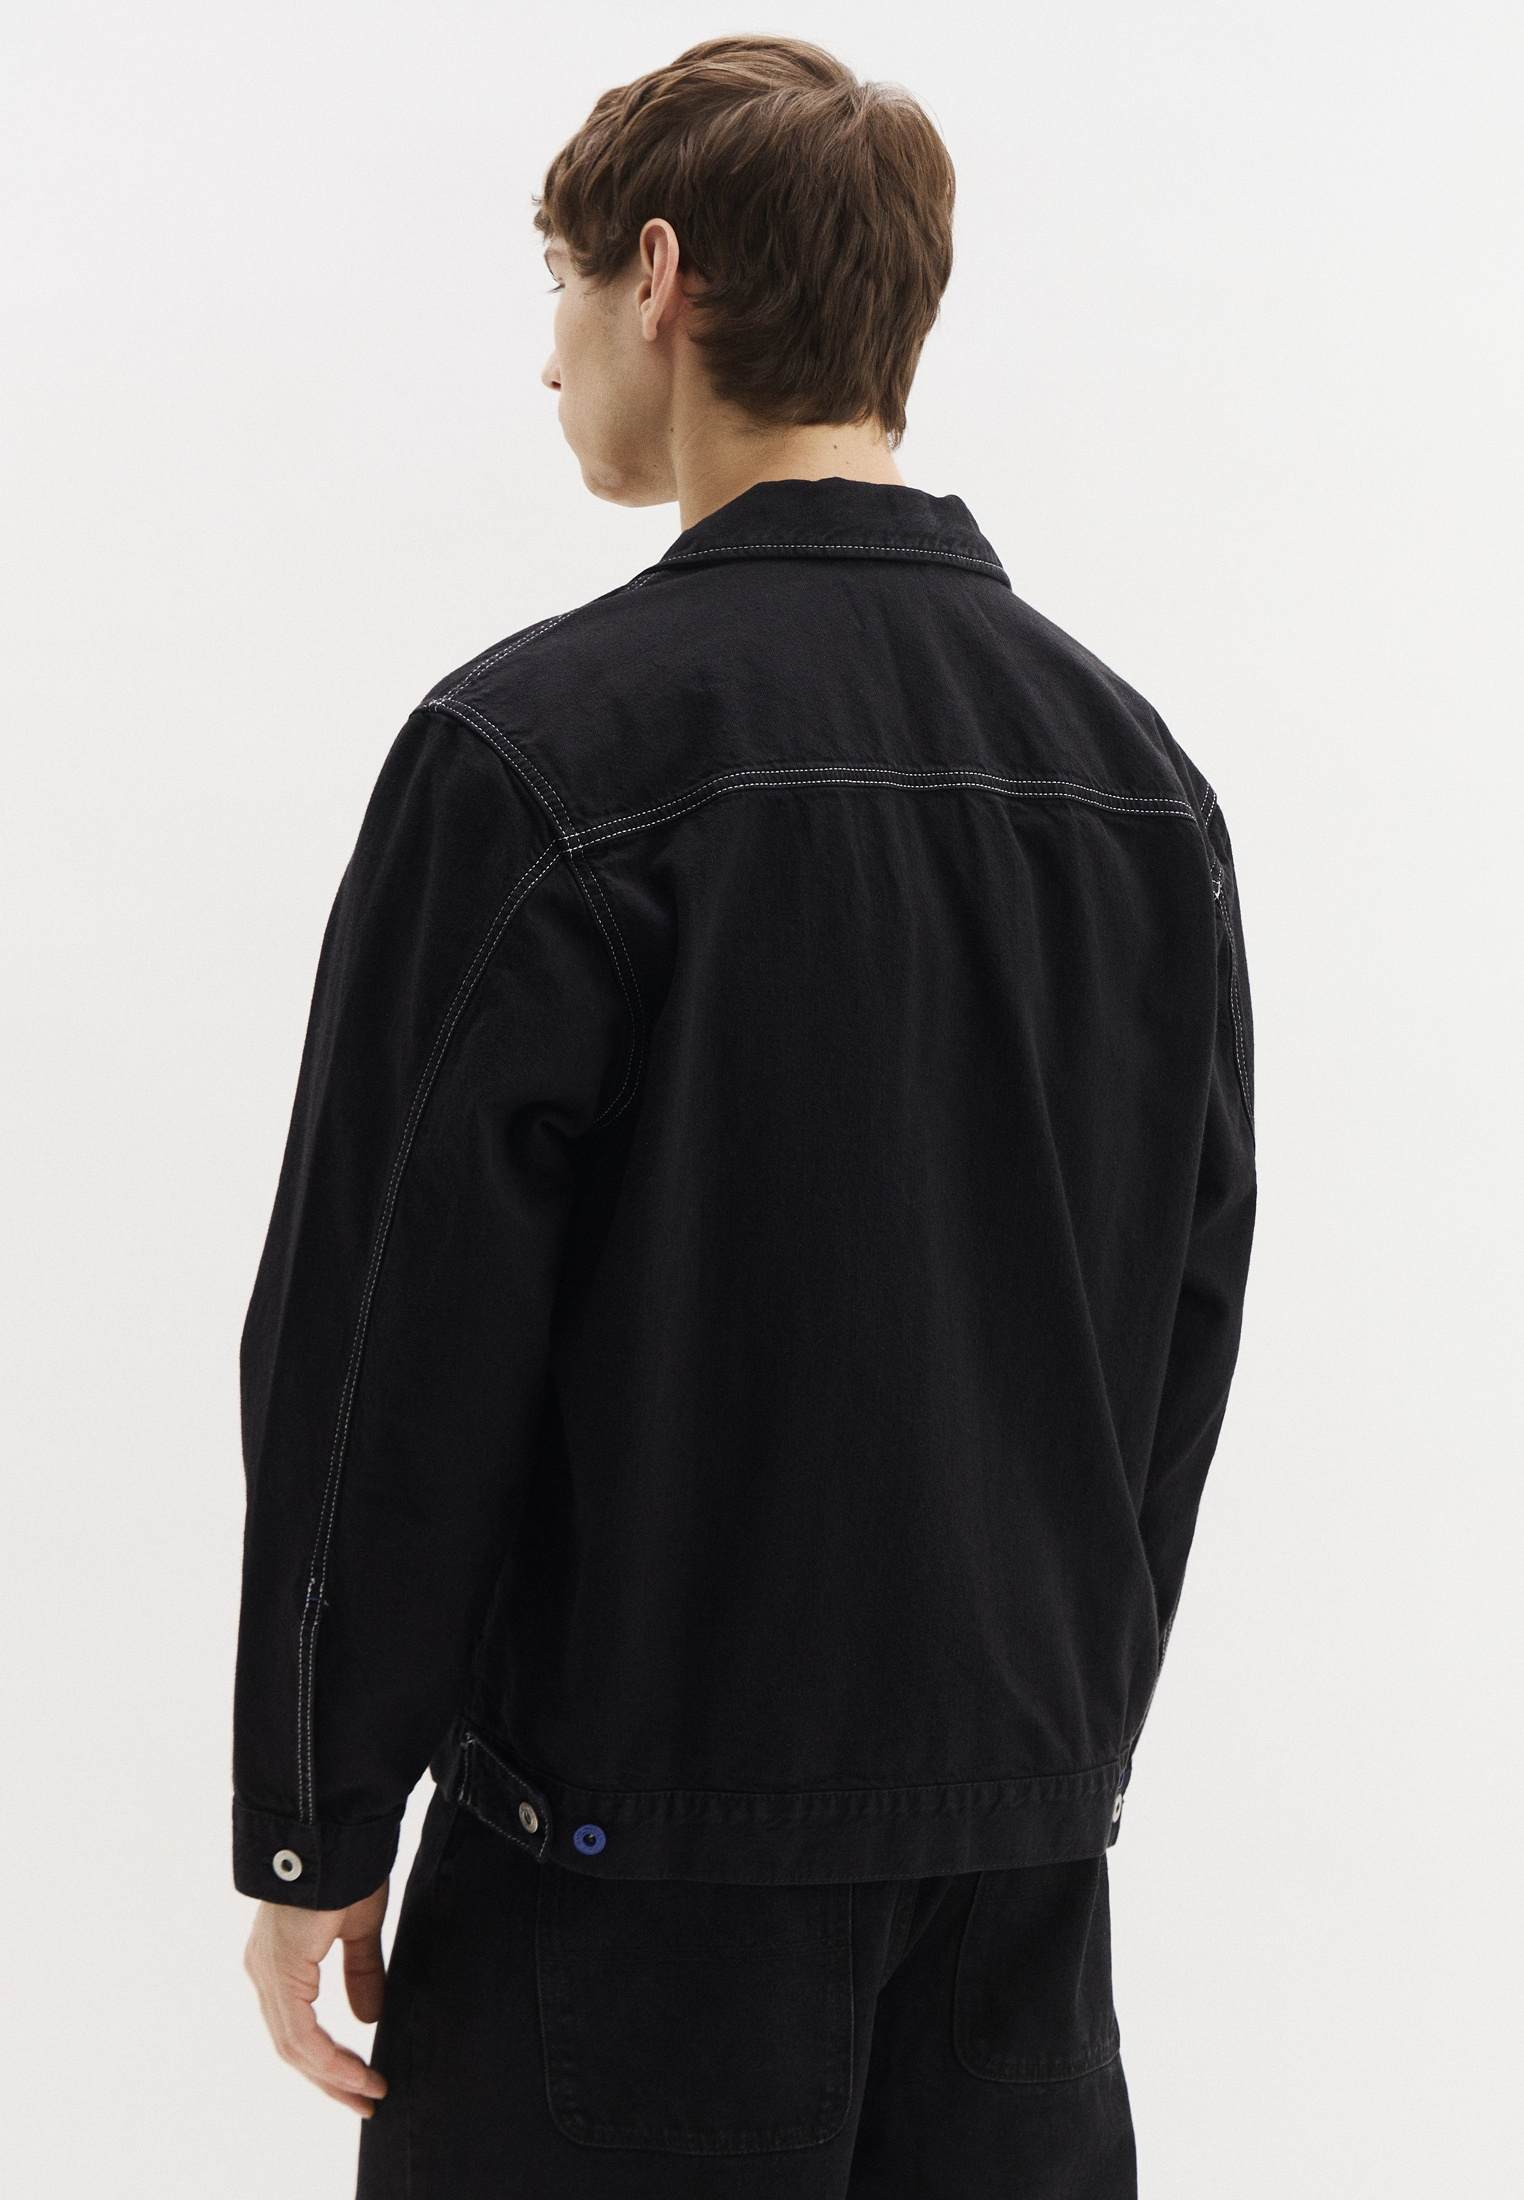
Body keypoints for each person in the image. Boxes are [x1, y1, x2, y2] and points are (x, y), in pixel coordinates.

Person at [232, 33, 1258, 2200]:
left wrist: (315, 1817)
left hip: (620, 1900)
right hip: (1018, 1917)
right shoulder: (1139, 784)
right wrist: (1047, 1750)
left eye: (561, 288)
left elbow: (383, 1334)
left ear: (661, 275)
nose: (550, 359)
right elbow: (1178, 1329)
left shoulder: (535, 754)